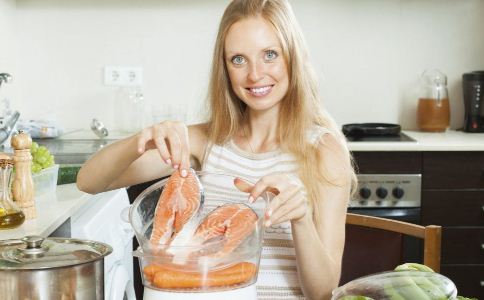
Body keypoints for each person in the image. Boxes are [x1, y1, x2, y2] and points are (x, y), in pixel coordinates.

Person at [77, 0, 356, 299]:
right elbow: (90, 182)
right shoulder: (204, 141)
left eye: (270, 55)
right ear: (224, 68)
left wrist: (301, 220)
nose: (254, 75)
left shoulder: (324, 152)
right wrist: (140, 140)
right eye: (238, 59)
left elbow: (323, 291)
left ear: (293, 57)